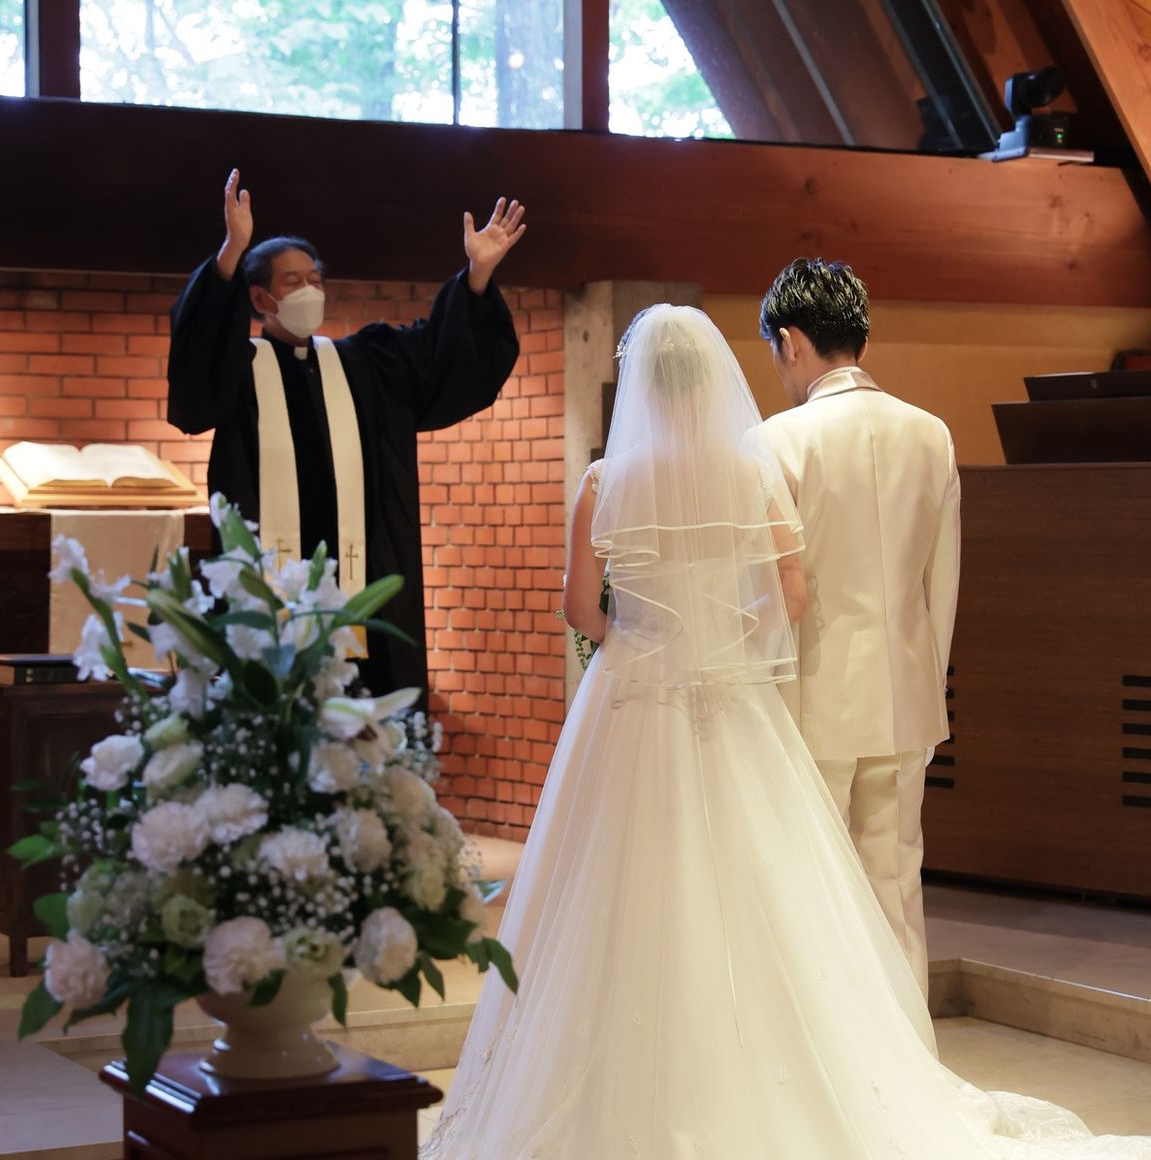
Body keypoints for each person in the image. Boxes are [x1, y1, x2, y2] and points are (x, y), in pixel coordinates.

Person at [420, 305, 1151, 1158]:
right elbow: (791, 597)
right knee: (781, 886)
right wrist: (727, 646)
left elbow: (580, 608)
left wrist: (641, 642)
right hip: (736, 701)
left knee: (615, 882)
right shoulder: (752, 469)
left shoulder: (603, 483)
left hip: (632, 700)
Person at [167, 169, 524, 697]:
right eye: (293, 282)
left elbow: (439, 357)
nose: (309, 290)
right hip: (264, 600)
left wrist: (477, 275)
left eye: (315, 279)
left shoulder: (365, 364)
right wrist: (231, 252)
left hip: (364, 603)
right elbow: (196, 369)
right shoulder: (239, 371)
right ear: (260, 300)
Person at [745, 257, 959, 999]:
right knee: (895, 883)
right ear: (860, 339)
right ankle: (909, 1050)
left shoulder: (777, 440)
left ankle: (834, 1056)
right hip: (906, 696)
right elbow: (942, 585)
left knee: (814, 891)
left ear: (790, 340)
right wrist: (929, 684)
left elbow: (767, 594)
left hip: (812, 700)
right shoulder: (931, 434)